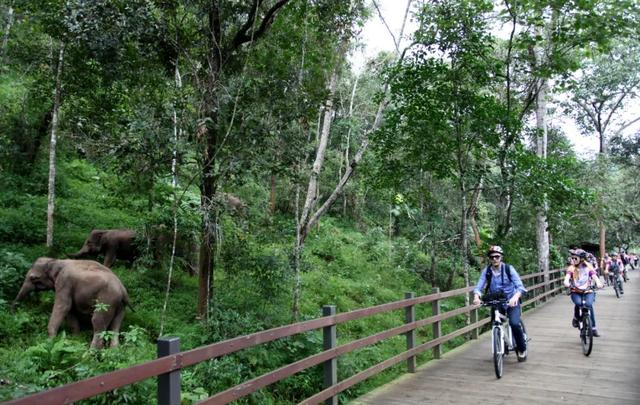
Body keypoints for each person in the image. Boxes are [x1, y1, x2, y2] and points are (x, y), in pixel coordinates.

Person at [473, 245, 528, 362]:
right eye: (492, 257)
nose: (494, 259)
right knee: (496, 323)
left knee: (514, 323)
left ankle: (522, 349)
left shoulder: (509, 269)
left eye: (497, 256)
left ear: (501, 257)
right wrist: (476, 297)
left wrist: (515, 297)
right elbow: (479, 286)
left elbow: (520, 287)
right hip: (496, 302)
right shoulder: (487, 271)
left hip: (511, 300)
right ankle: (502, 348)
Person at [563, 249, 603, 337]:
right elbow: (567, 276)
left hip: (588, 290)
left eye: (575, 258)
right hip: (575, 291)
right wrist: (566, 282)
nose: (572, 260)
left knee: (589, 305)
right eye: (572, 258)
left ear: (581, 259)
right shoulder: (572, 267)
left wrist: (598, 282)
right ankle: (576, 318)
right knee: (579, 303)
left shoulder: (588, 266)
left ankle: (593, 328)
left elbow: (594, 275)